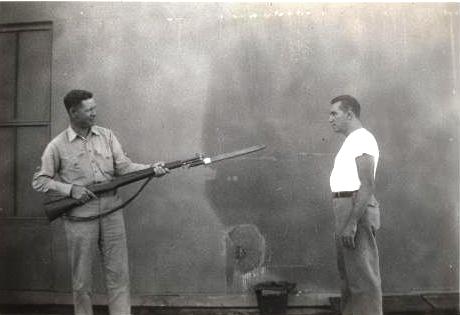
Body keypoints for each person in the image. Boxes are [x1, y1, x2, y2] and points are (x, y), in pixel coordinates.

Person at [32, 89, 169, 315]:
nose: (95, 113)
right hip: (80, 219)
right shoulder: (57, 145)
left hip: (112, 213)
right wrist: (71, 189)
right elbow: (40, 180)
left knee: (119, 277)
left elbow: (124, 167)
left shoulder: (106, 135)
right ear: (73, 112)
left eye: (95, 108)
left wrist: (152, 169)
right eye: (89, 110)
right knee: (82, 283)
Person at [328, 95, 382, 315]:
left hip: (355, 209)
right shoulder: (351, 141)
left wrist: (351, 223)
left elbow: (367, 185)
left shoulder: (362, 139)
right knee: (350, 278)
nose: (330, 119)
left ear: (349, 114)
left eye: (334, 113)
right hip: (345, 208)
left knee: (362, 280)